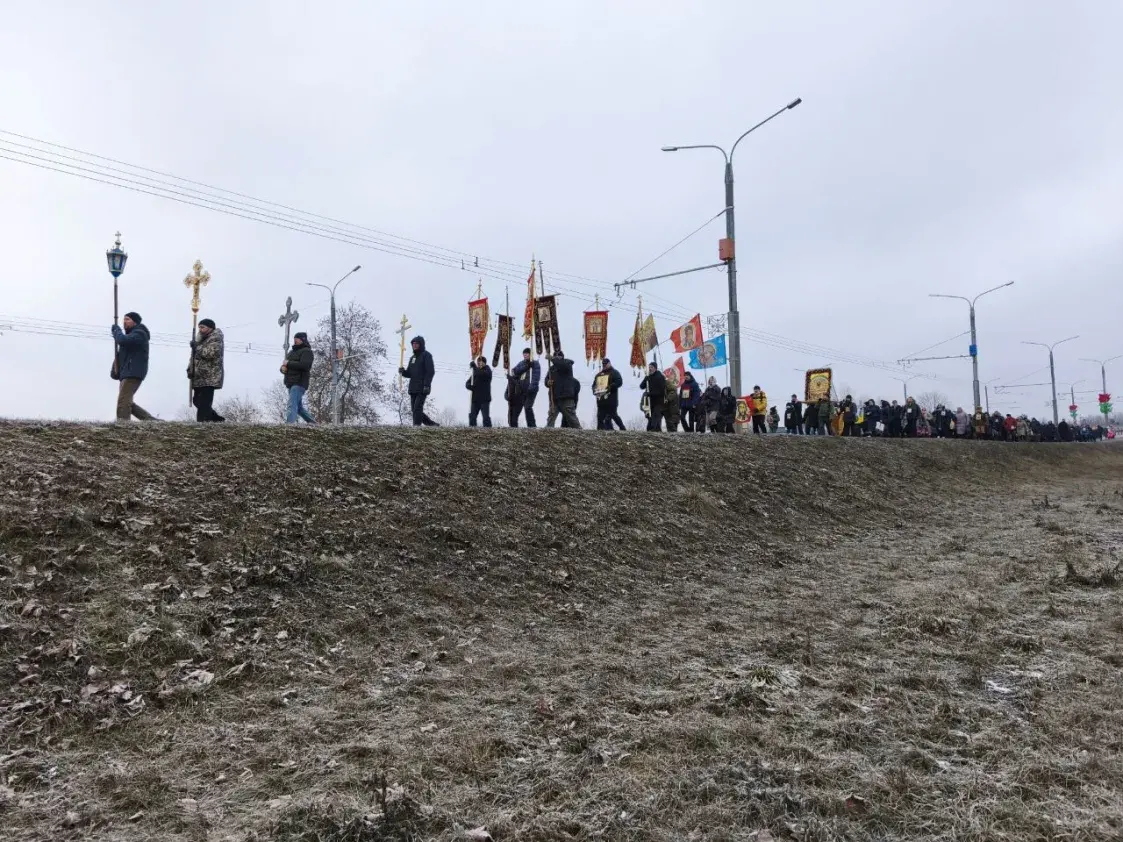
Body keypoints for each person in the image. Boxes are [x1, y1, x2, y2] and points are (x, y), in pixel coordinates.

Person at [110, 312, 155, 423]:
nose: (124, 322)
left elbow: (122, 340)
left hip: (133, 372)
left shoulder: (140, 333)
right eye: (124, 319)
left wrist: (116, 331)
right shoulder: (130, 336)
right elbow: (121, 355)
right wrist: (115, 371)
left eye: (127, 319)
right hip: (127, 373)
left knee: (123, 401)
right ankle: (151, 421)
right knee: (127, 401)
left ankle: (123, 424)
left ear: (135, 322)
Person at [188, 318, 225, 422]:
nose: (200, 329)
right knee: (196, 400)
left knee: (204, 402)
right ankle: (216, 419)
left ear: (210, 328)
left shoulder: (216, 338)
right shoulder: (200, 339)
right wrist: (190, 369)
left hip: (210, 375)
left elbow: (210, 353)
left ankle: (203, 423)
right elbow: (193, 357)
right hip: (198, 376)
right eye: (199, 327)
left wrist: (197, 347)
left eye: (202, 327)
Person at [399, 335, 438, 426]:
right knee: (414, 410)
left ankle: (416, 427)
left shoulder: (426, 355)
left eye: (416, 343)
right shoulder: (412, 358)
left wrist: (427, 385)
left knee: (417, 408)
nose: (414, 345)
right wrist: (403, 372)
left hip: (422, 387)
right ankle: (432, 425)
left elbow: (430, 371)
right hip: (413, 387)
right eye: (413, 343)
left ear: (421, 344)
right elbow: (409, 373)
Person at [281, 331, 316, 424]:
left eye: (297, 339)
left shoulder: (307, 351)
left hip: (299, 382)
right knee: (299, 408)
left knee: (292, 404)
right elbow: (285, 364)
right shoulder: (291, 352)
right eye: (294, 339)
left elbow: (305, 365)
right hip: (290, 383)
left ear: (302, 340)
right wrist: (283, 369)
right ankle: (314, 424)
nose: (295, 341)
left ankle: (289, 425)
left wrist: (289, 363)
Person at [546, 351, 582, 429]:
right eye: (555, 356)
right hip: (554, 397)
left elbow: (561, 365)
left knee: (572, 418)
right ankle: (548, 432)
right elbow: (547, 379)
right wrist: (548, 382)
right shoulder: (551, 369)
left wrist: (552, 359)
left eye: (558, 356)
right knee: (551, 417)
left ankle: (579, 431)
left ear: (562, 357)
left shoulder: (567, 364)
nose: (557, 357)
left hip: (566, 396)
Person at [510, 347, 542, 428]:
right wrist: (526, 367)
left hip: (531, 390)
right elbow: (514, 371)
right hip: (521, 390)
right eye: (524, 354)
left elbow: (536, 377)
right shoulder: (521, 363)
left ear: (530, 354)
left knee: (527, 407)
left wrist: (531, 387)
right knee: (516, 408)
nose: (525, 355)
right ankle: (513, 426)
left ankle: (532, 426)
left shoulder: (535, 363)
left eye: (527, 354)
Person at [593, 358, 624, 431]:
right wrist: (594, 390)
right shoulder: (599, 375)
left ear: (609, 363)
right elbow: (594, 385)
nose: (604, 365)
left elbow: (619, 382)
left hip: (611, 399)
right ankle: (600, 431)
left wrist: (610, 386)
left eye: (606, 364)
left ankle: (622, 428)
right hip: (601, 400)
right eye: (603, 364)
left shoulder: (614, 372)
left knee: (613, 415)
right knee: (600, 417)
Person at [466, 356, 493, 427]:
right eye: (478, 362)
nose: (478, 363)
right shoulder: (475, 372)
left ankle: (488, 431)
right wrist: (470, 386)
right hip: (475, 399)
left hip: (484, 399)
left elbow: (482, 374)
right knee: (472, 416)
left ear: (484, 363)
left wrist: (474, 367)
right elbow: (468, 383)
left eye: (480, 362)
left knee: (486, 417)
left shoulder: (487, 369)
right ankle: (472, 430)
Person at [639, 363, 666, 432]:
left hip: (659, 401)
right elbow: (641, 386)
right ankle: (655, 430)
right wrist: (646, 379)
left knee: (656, 415)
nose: (650, 369)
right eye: (649, 367)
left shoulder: (660, 377)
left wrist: (651, 394)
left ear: (655, 368)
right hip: (650, 401)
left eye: (651, 367)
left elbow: (661, 391)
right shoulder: (649, 377)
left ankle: (652, 429)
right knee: (650, 417)